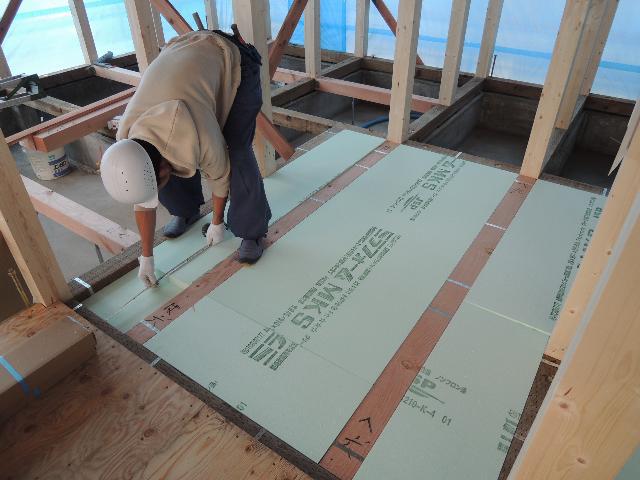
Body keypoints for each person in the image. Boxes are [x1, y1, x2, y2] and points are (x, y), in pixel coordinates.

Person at [100, 29, 271, 287]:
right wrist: (146, 257)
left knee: (237, 150)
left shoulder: (202, 136)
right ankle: (186, 211)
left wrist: (217, 222)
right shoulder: (128, 140)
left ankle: (252, 232)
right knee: (166, 169)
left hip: (233, 59)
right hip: (184, 56)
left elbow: (220, 176)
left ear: (161, 168)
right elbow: (144, 198)